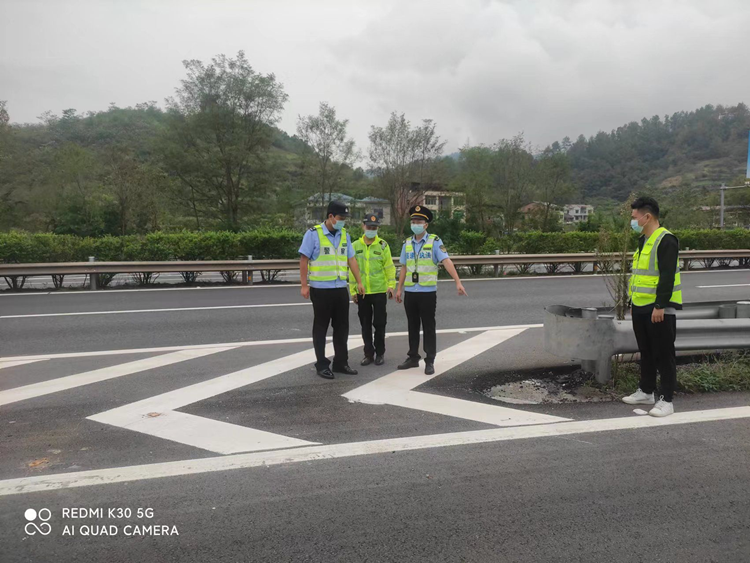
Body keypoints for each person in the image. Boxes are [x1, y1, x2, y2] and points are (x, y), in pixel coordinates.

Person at [622, 196, 682, 417]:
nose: (633, 220)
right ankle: (647, 391)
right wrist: (633, 302)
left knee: (664, 353)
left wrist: (660, 305)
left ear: (647, 217)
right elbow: (640, 276)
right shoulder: (644, 240)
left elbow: (667, 277)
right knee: (646, 351)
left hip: (659, 308)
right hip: (640, 305)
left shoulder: (666, 240)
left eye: (635, 217)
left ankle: (667, 400)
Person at [395, 205, 468, 375]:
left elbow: (446, 261)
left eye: (419, 221)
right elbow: (404, 268)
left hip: (427, 292)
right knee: (412, 326)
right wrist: (399, 289)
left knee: (428, 326)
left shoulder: (435, 241)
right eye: (413, 221)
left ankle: (430, 360)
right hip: (411, 292)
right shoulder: (407, 243)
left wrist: (458, 281)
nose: (416, 224)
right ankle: (413, 357)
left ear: (426, 225)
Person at [299, 200, 365, 379]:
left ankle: (341, 362)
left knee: (342, 327)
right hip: (321, 290)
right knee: (321, 327)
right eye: (340, 218)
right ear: (330, 216)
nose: (343, 221)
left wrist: (358, 281)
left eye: (345, 218)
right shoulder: (313, 234)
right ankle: (321, 364)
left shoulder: (344, 234)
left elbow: (351, 259)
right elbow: (304, 259)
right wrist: (304, 285)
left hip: (339, 288)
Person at [349, 214, 396, 366]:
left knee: (380, 323)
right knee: (365, 324)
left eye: (374, 228)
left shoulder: (383, 245)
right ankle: (368, 354)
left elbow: (389, 266)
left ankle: (380, 353)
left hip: (379, 291)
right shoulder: (355, 246)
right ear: (363, 227)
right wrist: (353, 290)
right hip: (362, 293)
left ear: (378, 229)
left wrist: (391, 285)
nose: (371, 230)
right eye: (369, 227)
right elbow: (351, 270)